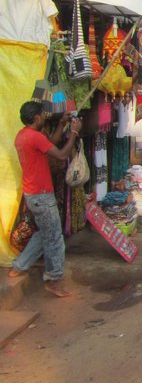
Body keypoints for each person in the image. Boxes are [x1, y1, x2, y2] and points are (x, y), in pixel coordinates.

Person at [8, 102, 83, 297]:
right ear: (36, 119)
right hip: (41, 195)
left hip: (33, 194)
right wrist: (74, 133)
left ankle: (20, 266)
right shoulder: (33, 137)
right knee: (55, 238)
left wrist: (62, 125)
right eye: (41, 115)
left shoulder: (24, 135)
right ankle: (54, 279)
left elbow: (48, 143)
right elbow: (60, 154)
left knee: (44, 234)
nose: (43, 117)